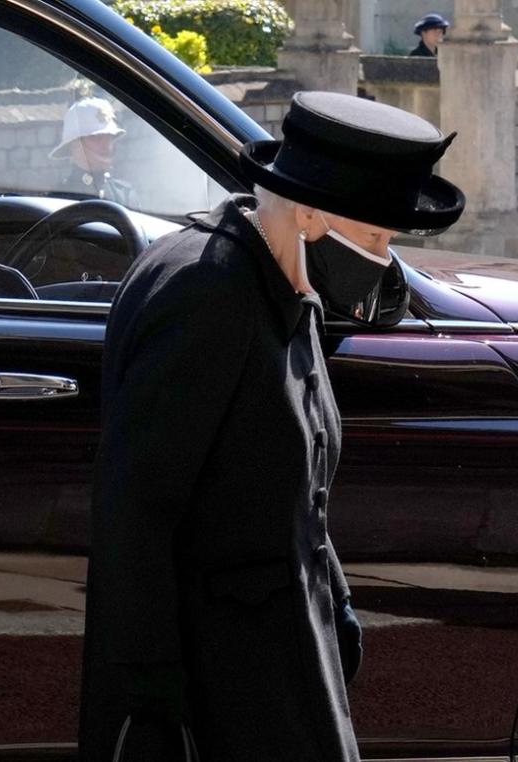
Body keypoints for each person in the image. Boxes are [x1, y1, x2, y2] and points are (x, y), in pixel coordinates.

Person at [78, 91, 465, 762]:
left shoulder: (289, 284)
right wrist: (150, 708)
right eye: (375, 236)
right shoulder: (205, 294)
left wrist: (336, 608)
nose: (382, 255)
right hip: (217, 693)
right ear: (311, 212)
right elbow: (134, 517)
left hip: (284, 667)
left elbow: (296, 490)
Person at [49, 96, 136, 206]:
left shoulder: (125, 195)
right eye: (97, 137)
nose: (107, 145)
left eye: (110, 137)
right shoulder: (58, 200)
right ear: (74, 145)